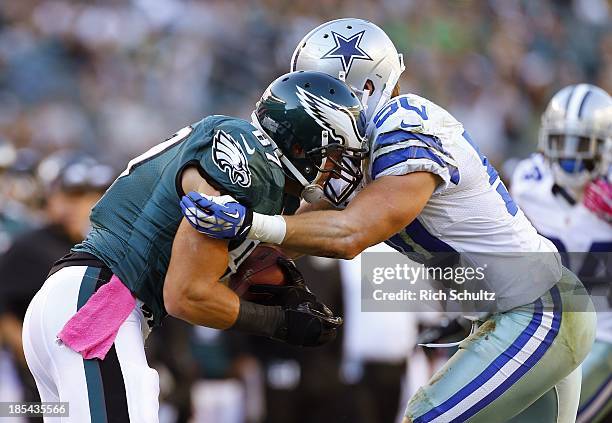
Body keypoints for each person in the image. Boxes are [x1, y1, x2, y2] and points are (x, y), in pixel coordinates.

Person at [181, 18, 597, 422]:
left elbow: (350, 234)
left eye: (318, 93)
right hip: (512, 313)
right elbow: (292, 233)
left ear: (366, 88)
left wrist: (249, 222)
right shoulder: (357, 154)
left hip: (539, 310)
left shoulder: (402, 124)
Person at [21, 71, 359, 422]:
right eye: (333, 154)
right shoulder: (249, 161)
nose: (335, 169)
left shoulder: (260, 171)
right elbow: (186, 295)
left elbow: (245, 250)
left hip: (82, 299)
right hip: (100, 303)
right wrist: (280, 322)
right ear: (301, 146)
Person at [511, 83, 612, 423]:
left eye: (581, 144)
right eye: (561, 142)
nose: (570, 156)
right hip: (552, 332)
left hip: (607, 335)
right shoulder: (528, 181)